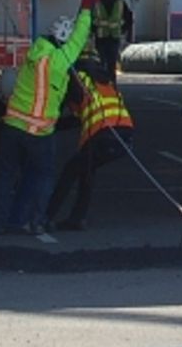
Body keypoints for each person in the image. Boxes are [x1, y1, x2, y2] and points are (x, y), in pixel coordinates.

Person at [0, 0, 95, 234]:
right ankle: (32, 220)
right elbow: (77, 41)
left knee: (4, 175)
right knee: (40, 177)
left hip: (13, 124)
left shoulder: (35, 52)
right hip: (40, 131)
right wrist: (87, 11)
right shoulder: (59, 60)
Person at [44, 50, 133, 230]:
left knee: (70, 172)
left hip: (102, 135)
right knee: (86, 171)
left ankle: (45, 217)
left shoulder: (77, 79)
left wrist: (49, 125)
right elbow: (82, 114)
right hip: (124, 134)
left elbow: (60, 106)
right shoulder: (105, 79)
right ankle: (78, 218)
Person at [92, 0, 132, 78]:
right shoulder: (97, 2)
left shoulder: (120, 2)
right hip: (101, 38)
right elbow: (90, 19)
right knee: (100, 65)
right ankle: (102, 88)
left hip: (113, 38)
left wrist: (123, 31)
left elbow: (129, 19)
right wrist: (94, 31)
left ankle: (112, 87)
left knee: (111, 65)